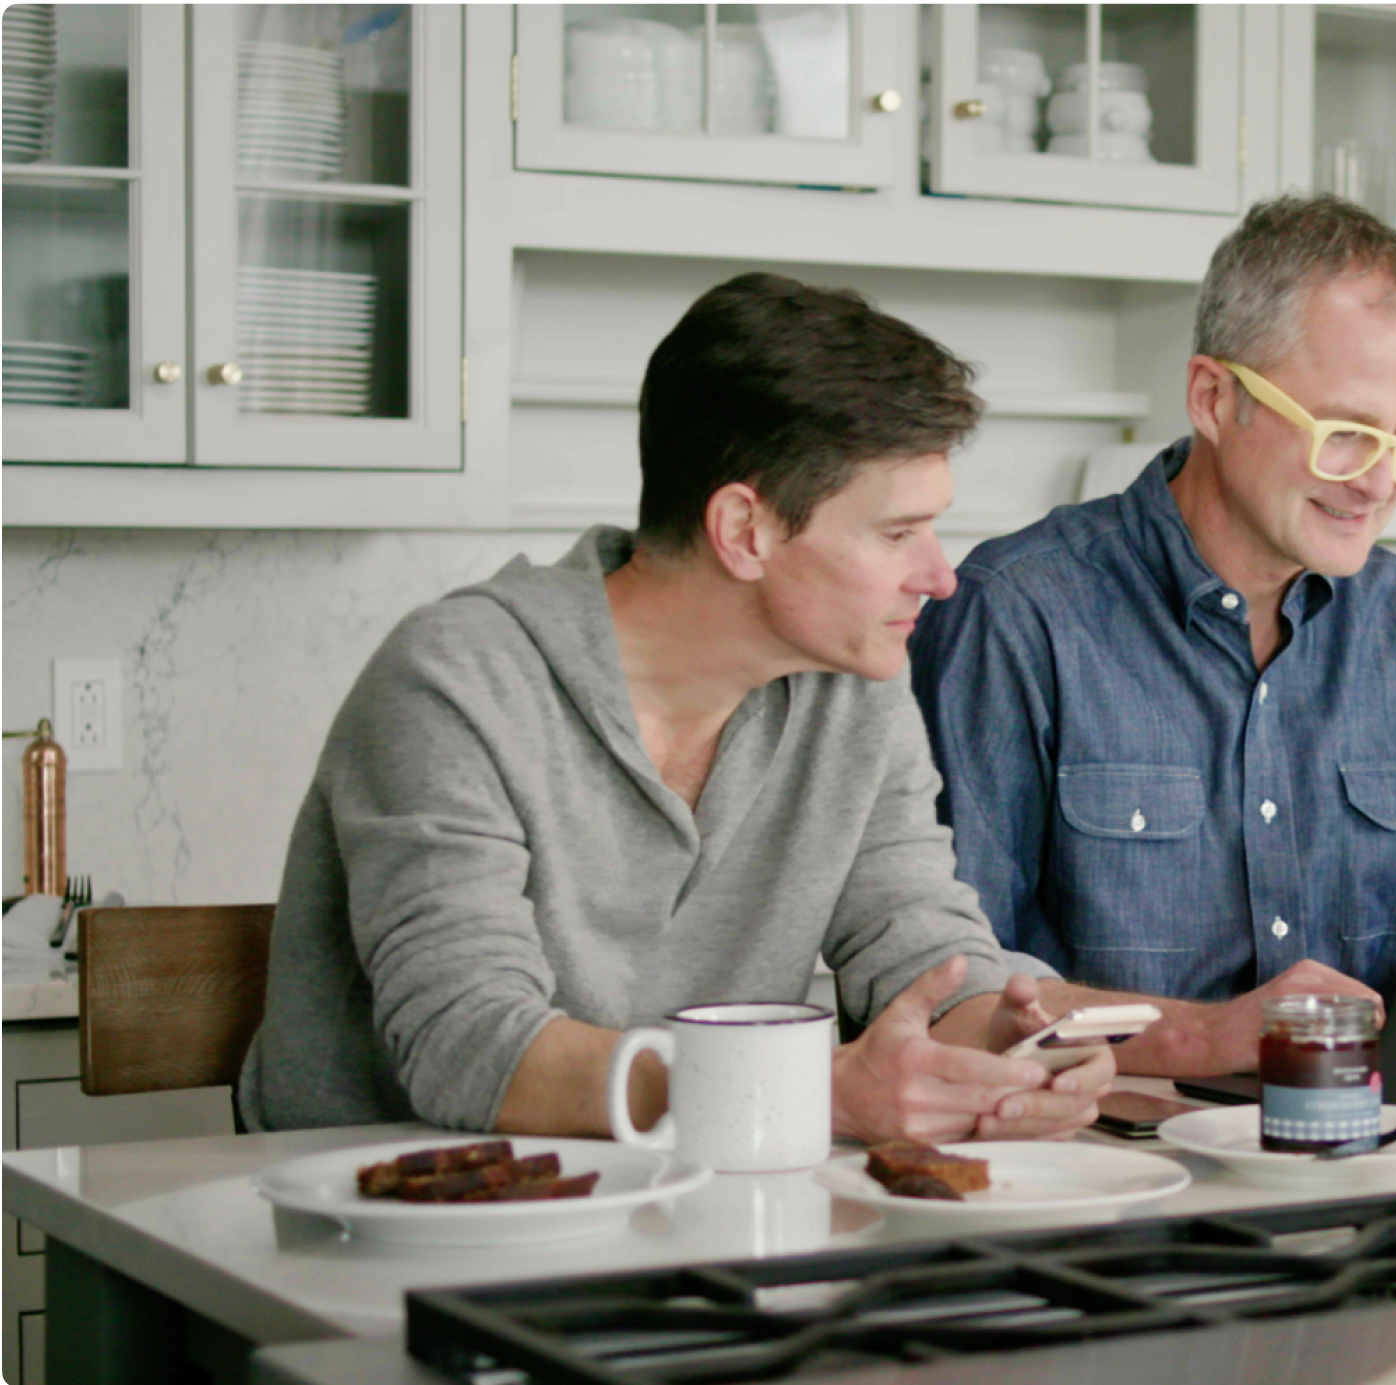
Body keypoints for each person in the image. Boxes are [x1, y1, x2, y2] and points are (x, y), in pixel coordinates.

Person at [239, 273, 1107, 1144]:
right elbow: (463, 1043)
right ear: (744, 531)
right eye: (895, 534)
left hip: (683, 1201)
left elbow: (920, 947)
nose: (941, 575)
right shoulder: (457, 682)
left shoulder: (857, 689)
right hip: (388, 1217)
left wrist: (999, 1045)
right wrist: (804, 1091)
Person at [909, 194, 1396, 1075]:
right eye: (1344, 435)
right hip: (1108, 1174)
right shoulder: (1016, 614)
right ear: (1214, 398)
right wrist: (1191, 1037)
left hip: (1383, 1153)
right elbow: (951, 992)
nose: (1379, 484)